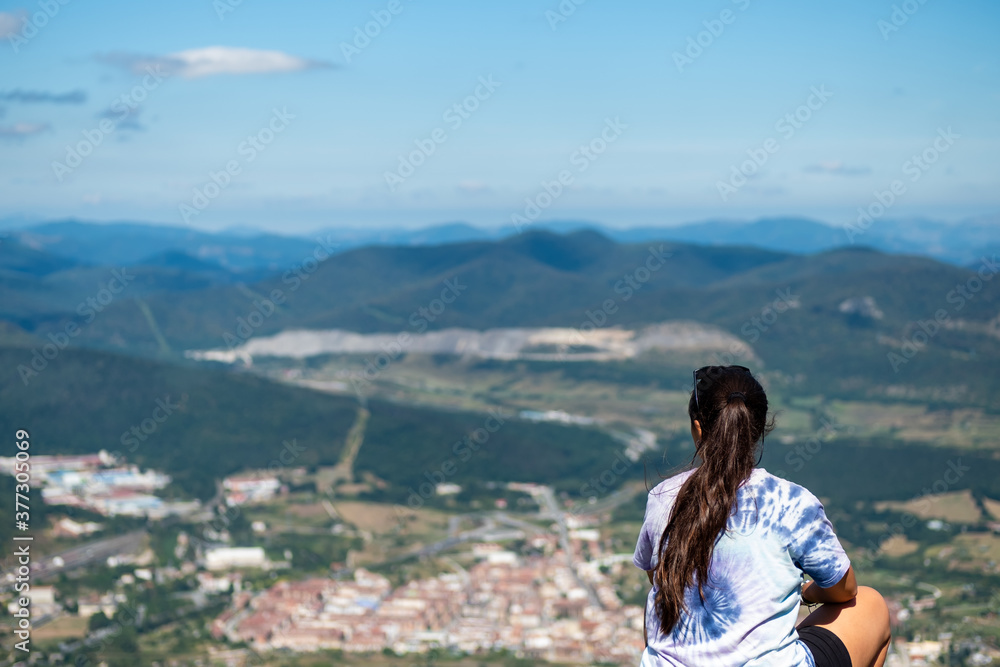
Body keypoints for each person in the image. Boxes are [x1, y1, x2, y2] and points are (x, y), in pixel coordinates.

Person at [633, 365, 891, 667]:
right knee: (871, 604)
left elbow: (659, 580)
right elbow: (844, 588)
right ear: (756, 430)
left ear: (698, 428)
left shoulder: (662, 498)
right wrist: (806, 593)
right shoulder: (789, 502)